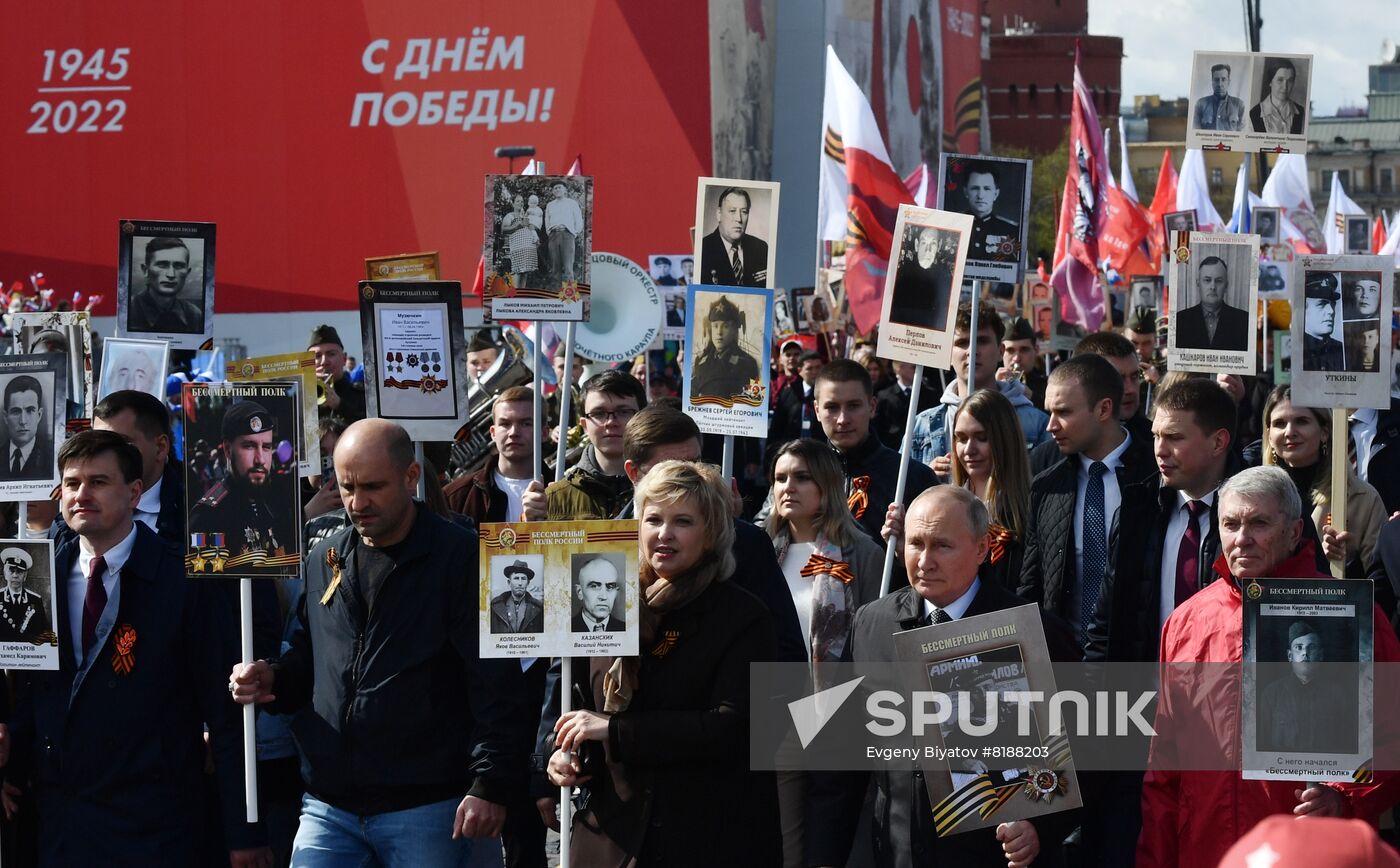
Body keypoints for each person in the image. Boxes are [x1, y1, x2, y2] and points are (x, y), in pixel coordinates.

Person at [230, 419, 527, 865]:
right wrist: (271, 676)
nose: (357, 502)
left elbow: (500, 684)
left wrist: (491, 784)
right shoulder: (323, 558)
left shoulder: (465, 561)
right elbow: (309, 658)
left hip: (431, 808)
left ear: (411, 478)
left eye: (372, 486)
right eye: (347, 486)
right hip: (329, 805)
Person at [7, 430, 269, 865]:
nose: (82, 494)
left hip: (156, 828)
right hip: (63, 828)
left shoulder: (183, 581)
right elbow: (31, 695)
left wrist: (244, 832)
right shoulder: (37, 576)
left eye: (98, 482)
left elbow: (225, 714)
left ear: (134, 492)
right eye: (72, 484)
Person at [1137, 466, 1400, 868]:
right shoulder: (1187, 621)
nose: (1242, 539)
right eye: (1230, 524)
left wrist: (1343, 797)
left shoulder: (1349, 614)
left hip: (1308, 851)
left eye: (1259, 523)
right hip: (1206, 849)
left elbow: (1392, 734)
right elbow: (1164, 768)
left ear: (1295, 532)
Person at [806, 486, 1080, 868]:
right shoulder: (871, 623)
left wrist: (1039, 827)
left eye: (942, 546)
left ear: (982, 548)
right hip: (898, 851)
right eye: (915, 543)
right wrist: (824, 855)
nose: (924, 561)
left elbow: (1086, 754)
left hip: (994, 856)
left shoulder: (1036, 631)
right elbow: (841, 756)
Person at [545, 461, 780, 865]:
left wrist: (615, 731)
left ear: (712, 532)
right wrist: (564, 754)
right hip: (610, 840)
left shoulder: (743, 616)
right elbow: (580, 701)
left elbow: (734, 729)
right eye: (653, 518)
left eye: (683, 521)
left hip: (707, 838)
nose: (664, 534)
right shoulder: (606, 603)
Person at [1018, 355, 1157, 644]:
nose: (1050, 426)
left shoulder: (1156, 477)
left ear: (1104, 408)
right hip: (1065, 663)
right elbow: (1032, 586)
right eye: (1050, 412)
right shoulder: (1046, 487)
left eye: (1064, 412)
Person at [910, 302, 1051, 471]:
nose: (972, 350)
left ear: (1000, 351)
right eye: (962, 342)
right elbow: (900, 488)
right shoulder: (921, 426)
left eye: (982, 341)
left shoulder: (1037, 424)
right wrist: (924, 478)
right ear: (947, 353)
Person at [1261, 385, 1386, 572]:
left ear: (1325, 432)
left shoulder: (1363, 498)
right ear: (1269, 435)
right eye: (1279, 423)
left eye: (1301, 421)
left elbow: (1381, 580)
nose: (1289, 432)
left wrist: (1347, 562)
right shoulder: (1252, 496)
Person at [813, 359, 939, 542]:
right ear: (817, 410)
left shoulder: (911, 477)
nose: (843, 419)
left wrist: (905, 551)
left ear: (872, 407)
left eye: (853, 406)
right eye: (832, 407)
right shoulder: (800, 474)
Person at [189, 400, 297, 566]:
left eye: (266, 447)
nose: (260, 459)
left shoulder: (274, 499)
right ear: (227, 449)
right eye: (249, 446)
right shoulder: (208, 515)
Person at [541, 369, 646, 520]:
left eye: (623, 411)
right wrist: (532, 523)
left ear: (642, 417)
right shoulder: (552, 500)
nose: (611, 422)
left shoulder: (665, 489)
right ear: (584, 425)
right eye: (599, 413)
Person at [443, 386, 546, 523]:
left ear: (544, 433)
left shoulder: (568, 491)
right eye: (505, 424)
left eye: (526, 424)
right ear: (493, 433)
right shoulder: (455, 495)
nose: (513, 432)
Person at [1256, 620, 1355, 754]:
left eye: (1311, 647)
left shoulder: (1338, 695)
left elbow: (1347, 747)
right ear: (1290, 655)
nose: (1305, 653)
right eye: (1299, 647)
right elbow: (1263, 747)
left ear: (1320, 655)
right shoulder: (1271, 694)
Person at [690, 295, 760, 402]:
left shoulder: (748, 363)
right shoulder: (700, 361)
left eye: (726, 326)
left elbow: (755, 400)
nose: (719, 332)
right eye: (715, 326)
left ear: (734, 330)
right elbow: (690, 398)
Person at [128, 237, 204, 334]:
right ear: (145, 270)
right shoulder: (127, 310)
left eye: (179, 266)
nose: (171, 274)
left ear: (187, 273)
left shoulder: (195, 315)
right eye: (162, 265)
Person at [1174, 256, 1249, 351]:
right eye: (1207, 280)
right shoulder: (1180, 320)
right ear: (1198, 284)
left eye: (1218, 281)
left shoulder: (1244, 320)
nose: (1213, 286)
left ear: (1226, 286)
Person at [699, 186, 769, 287]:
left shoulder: (761, 248)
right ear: (719, 214)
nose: (739, 219)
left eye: (744, 212)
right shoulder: (703, 249)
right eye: (732, 211)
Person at [888, 225, 952, 330]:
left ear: (939, 246)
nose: (928, 250)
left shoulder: (945, 280)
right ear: (917, 245)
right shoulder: (901, 276)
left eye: (933, 244)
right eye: (924, 243)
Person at [962, 163, 1021, 263]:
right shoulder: (953, 224)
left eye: (987, 188)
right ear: (966, 192)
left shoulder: (1011, 230)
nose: (980, 195)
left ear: (996, 194)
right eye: (975, 188)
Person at [308, 324, 366, 423]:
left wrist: (339, 405)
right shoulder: (298, 395)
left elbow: (370, 429)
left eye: (331, 354)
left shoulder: (362, 395)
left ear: (344, 359)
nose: (324, 362)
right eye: (317, 356)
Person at [874, 360, 939, 447]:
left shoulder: (929, 394)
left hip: (921, 446)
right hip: (893, 450)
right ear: (899, 369)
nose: (918, 370)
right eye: (913, 367)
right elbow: (879, 427)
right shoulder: (884, 396)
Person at [0, 375, 52, 482]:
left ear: (39, 415)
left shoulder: (52, 457)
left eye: (30, 410)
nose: (23, 421)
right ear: (5, 417)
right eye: (16, 411)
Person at [770, 350, 825, 447]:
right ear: (800, 371)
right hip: (792, 449)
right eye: (809, 368)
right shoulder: (788, 393)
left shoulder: (828, 394)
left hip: (820, 451)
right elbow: (777, 427)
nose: (815, 372)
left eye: (818, 367)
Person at [0, 546, 49, 644]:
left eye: (19, 571)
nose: (15, 575)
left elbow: (43, 633)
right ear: (5, 573)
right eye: (11, 570)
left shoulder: (35, 600)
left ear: (25, 575)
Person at [1249, 57, 1305, 135]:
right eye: (1280, 80)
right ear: (1270, 82)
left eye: (1290, 81)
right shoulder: (1254, 114)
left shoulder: (1302, 113)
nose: (1285, 87)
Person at [1001, 315, 1047, 409]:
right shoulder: (989, 383)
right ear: (1001, 352)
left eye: (1024, 350)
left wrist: (1032, 396)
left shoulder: (1048, 385)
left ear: (1036, 350)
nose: (1017, 358)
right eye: (1010, 350)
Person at [545, 181, 584, 287]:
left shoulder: (572, 203)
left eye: (559, 187)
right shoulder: (550, 205)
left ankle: (569, 299)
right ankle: (556, 297)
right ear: (553, 191)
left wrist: (575, 233)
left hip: (567, 236)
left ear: (565, 190)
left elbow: (578, 220)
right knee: (555, 267)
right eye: (555, 188)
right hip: (553, 235)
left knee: (568, 267)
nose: (557, 190)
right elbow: (547, 221)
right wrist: (549, 232)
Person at [1301, 272, 1345, 370]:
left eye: (1333, 304)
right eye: (1321, 304)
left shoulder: (1342, 349)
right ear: (1304, 307)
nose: (1331, 311)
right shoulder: (1296, 347)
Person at [490, 558, 545, 634]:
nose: (520, 583)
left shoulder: (539, 608)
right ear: (509, 582)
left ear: (528, 583)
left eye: (523, 579)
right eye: (516, 578)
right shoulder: (495, 606)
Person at [570, 556, 624, 632]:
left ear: (616, 592)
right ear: (579, 592)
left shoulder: (626, 629)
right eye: (594, 586)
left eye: (610, 587)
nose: (604, 596)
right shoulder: (564, 630)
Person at [1192, 62, 1246, 131]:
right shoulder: (1201, 104)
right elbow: (1195, 133)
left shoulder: (1239, 105)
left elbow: (1242, 135)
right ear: (1212, 82)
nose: (1220, 84)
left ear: (1229, 82)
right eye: (1216, 80)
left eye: (1223, 79)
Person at [502, 193, 540, 288]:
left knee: (525, 273)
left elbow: (532, 228)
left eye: (522, 201)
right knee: (517, 272)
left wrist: (536, 238)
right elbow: (504, 229)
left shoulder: (526, 216)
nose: (520, 203)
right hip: (517, 249)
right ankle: (514, 298)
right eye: (518, 201)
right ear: (513, 204)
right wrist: (517, 225)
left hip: (528, 249)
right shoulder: (510, 215)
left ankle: (521, 295)